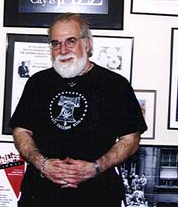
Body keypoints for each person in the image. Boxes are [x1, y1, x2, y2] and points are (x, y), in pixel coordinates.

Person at [9, 13, 147, 207]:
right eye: (55, 43)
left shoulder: (115, 85)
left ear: (87, 44)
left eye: (70, 41)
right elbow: (21, 130)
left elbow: (131, 139)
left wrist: (96, 168)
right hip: (40, 194)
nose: (63, 50)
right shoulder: (37, 83)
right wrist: (42, 164)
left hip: (98, 194)